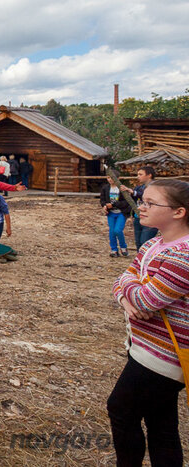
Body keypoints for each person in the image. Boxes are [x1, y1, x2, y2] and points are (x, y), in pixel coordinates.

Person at [108, 180, 189, 466]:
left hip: (165, 356)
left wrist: (132, 294)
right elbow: (120, 281)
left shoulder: (184, 255)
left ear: (178, 212)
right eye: (143, 201)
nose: (141, 207)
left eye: (150, 203)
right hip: (144, 347)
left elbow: (146, 300)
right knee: (161, 423)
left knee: (120, 410)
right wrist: (127, 299)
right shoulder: (154, 243)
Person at [125, 166, 159, 250]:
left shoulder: (157, 187)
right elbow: (134, 201)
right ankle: (139, 262)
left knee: (145, 243)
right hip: (138, 218)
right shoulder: (139, 187)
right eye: (137, 174)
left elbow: (145, 195)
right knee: (138, 243)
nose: (138, 176)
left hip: (151, 219)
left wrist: (133, 192)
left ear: (149, 175)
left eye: (140, 174)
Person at [101, 178, 133, 257]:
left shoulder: (122, 188)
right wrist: (104, 206)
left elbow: (126, 202)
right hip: (111, 213)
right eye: (108, 177)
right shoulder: (105, 188)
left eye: (112, 177)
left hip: (121, 212)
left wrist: (114, 204)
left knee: (118, 230)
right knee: (112, 231)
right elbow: (102, 200)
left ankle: (123, 247)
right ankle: (114, 250)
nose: (110, 179)